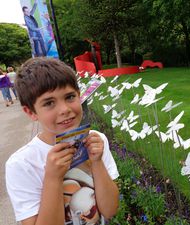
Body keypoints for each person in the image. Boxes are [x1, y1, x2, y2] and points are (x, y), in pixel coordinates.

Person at [5, 57, 119, 225]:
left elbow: (110, 210)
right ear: (31, 112)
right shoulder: (21, 164)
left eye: (70, 97)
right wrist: (52, 178)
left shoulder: (96, 141)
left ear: (79, 96)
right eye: (49, 103)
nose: (65, 109)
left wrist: (97, 162)